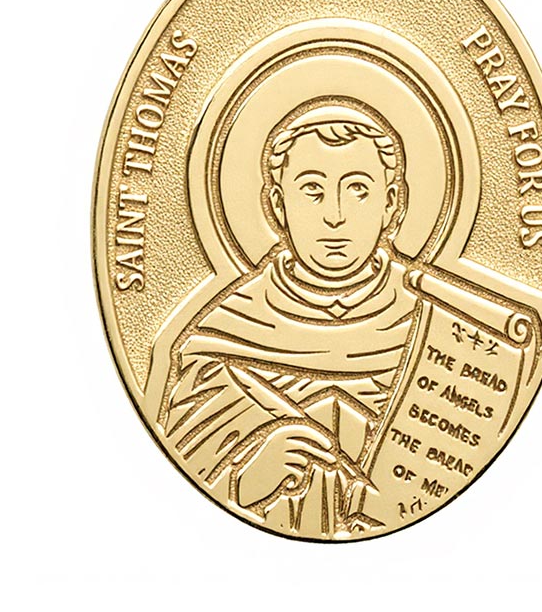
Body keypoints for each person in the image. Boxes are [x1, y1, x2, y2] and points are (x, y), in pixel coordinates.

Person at [160, 100, 423, 536]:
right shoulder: (222, 338)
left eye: (357, 188)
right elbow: (176, 481)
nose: (335, 216)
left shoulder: (433, 328)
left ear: (391, 203)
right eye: (312, 190)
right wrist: (247, 481)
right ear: (278, 205)